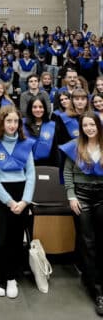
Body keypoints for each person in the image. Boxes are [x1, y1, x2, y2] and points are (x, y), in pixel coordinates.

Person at [0, 106, 35, 299]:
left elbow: (31, 174)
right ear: (1, 122)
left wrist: (25, 200)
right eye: (8, 121)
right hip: (2, 195)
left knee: (16, 238)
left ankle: (12, 277)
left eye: (16, 121)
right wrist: (10, 201)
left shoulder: (25, 143)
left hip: (22, 196)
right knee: (1, 238)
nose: (12, 125)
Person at [60, 112, 103, 316]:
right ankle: (97, 290)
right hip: (82, 197)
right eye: (85, 125)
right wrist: (71, 196)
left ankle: (92, 277)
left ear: (98, 125)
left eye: (92, 124)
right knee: (88, 241)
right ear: (82, 127)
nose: (89, 128)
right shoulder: (74, 146)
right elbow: (67, 172)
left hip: (102, 196)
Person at [23, 94, 59, 166]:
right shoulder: (22, 125)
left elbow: (55, 151)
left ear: (45, 109)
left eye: (41, 107)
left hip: (46, 166)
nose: (38, 110)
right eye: (34, 107)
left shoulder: (52, 125)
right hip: (26, 165)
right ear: (30, 109)